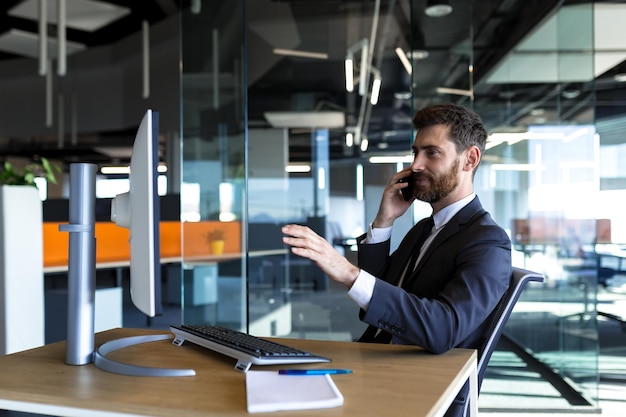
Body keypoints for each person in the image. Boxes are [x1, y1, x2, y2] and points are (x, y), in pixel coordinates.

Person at [281, 103, 512, 417]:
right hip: (377, 363)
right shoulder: (424, 228)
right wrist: (384, 220)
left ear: (469, 159)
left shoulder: (488, 241)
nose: (415, 164)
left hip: (417, 388)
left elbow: (444, 329)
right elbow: (386, 292)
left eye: (432, 153)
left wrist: (347, 272)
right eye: (415, 152)